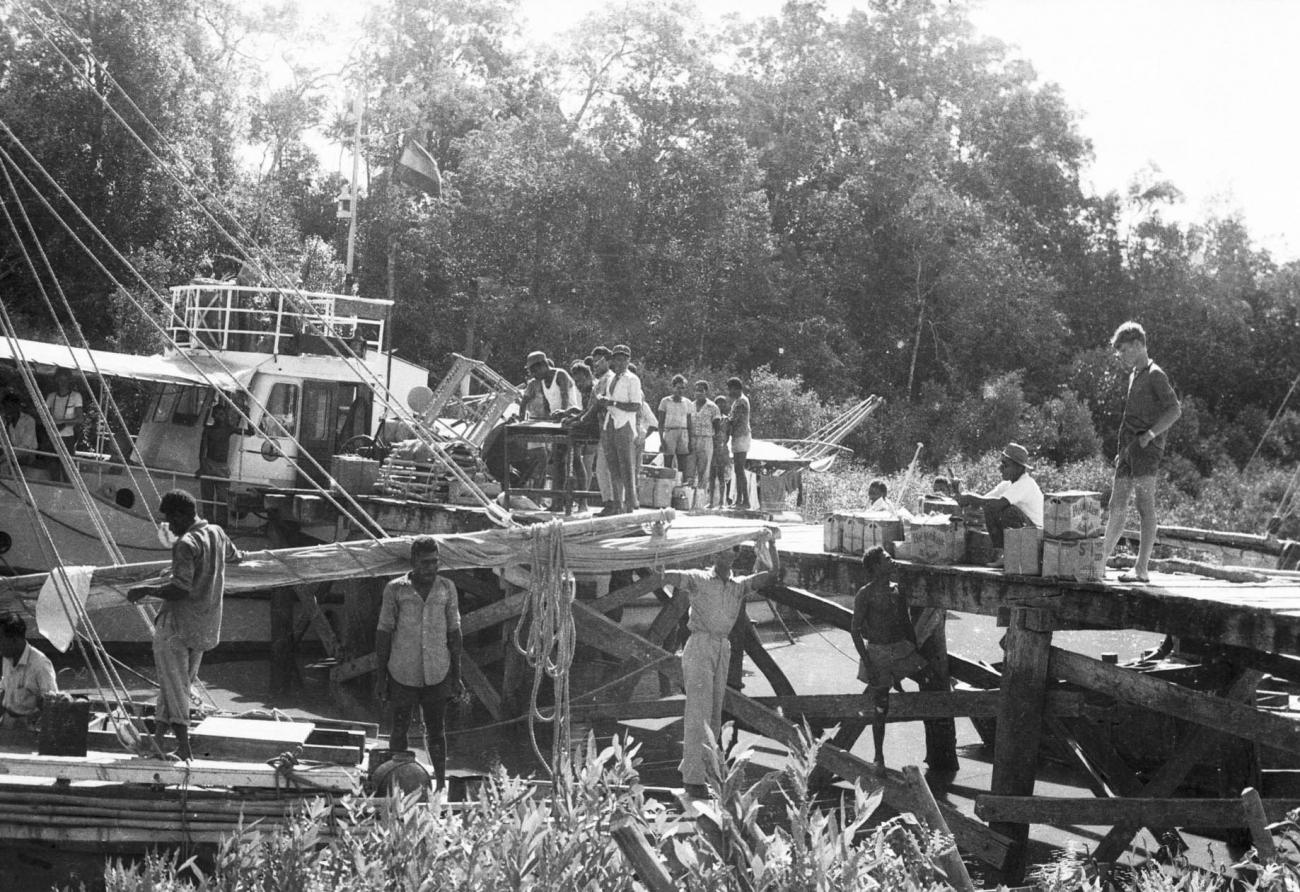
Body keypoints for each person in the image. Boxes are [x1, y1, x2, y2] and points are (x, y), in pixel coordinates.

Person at [661, 531, 780, 798]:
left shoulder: (738, 585)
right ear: (714, 554)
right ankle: (693, 780)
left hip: (722, 646)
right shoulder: (699, 578)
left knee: (714, 714)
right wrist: (662, 541)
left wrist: (771, 543)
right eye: (723, 549)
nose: (729, 552)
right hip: (700, 644)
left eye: (734, 548)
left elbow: (771, 575)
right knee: (699, 712)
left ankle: (702, 774)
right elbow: (664, 576)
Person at [127, 490, 241, 759]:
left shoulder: (186, 544)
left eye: (170, 520)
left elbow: (180, 589)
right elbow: (237, 556)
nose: (169, 527)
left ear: (180, 516)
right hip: (202, 628)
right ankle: (157, 743)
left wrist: (145, 590)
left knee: (175, 687)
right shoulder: (216, 533)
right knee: (173, 685)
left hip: (176, 628)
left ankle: (184, 747)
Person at [374, 536, 463, 789]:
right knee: (399, 729)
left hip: (438, 671)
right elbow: (384, 632)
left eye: (435, 562)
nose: (430, 568)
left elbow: (454, 632)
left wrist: (456, 676)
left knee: (437, 731)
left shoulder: (447, 588)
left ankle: (441, 785)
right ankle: (395, 785)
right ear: (413, 562)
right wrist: (381, 678)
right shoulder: (395, 589)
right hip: (402, 672)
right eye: (425, 563)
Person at [1100, 322, 1182, 584]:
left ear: (1138, 345)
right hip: (1128, 449)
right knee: (1116, 504)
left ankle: (1141, 568)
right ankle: (1099, 562)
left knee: (1144, 505)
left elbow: (1175, 410)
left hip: (1146, 449)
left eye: (1124, 350)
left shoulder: (1156, 374)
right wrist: (1121, 451)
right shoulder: (1134, 374)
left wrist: (1151, 434)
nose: (1121, 356)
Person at [850, 547, 930, 773]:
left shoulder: (897, 590)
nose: (892, 561)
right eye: (887, 559)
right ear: (876, 566)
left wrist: (915, 653)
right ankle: (879, 756)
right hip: (878, 653)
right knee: (880, 707)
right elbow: (855, 631)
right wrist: (868, 663)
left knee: (930, 677)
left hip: (901, 649)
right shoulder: (865, 594)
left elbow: (906, 623)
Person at [952, 443, 1043, 567]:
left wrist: (971, 498)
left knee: (1006, 510)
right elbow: (984, 500)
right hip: (1026, 533)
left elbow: (997, 504)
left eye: (1005, 465)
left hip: (1036, 536)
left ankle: (1011, 556)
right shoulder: (1007, 484)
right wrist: (962, 495)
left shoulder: (1025, 483)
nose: (1000, 468)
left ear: (1019, 467)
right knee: (990, 506)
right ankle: (1004, 554)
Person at [598, 344, 643, 513]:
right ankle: (618, 504)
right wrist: (605, 401)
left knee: (627, 466)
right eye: (617, 359)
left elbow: (636, 406)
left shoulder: (632, 379)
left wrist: (613, 403)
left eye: (623, 359)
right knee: (613, 467)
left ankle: (630, 505)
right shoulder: (611, 378)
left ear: (628, 360)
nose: (620, 362)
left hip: (625, 424)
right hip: (610, 422)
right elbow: (609, 400)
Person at [0, 613, 57, 735]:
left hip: (30, 730)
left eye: (0, 639)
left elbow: (53, 706)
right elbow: (4, 690)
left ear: (14, 639)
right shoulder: (7, 657)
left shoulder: (40, 665)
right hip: (7, 724)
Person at [199, 401, 240, 526]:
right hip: (209, 464)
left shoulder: (229, 429)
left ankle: (222, 524)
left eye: (221, 414)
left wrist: (247, 415)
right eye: (216, 414)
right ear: (213, 415)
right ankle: (208, 523)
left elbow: (250, 432)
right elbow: (202, 450)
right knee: (207, 497)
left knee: (223, 498)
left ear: (225, 415)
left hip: (222, 467)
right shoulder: (208, 430)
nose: (219, 417)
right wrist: (202, 466)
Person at [44, 370, 83, 477]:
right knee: (53, 468)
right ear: (56, 380)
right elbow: (45, 416)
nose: (63, 383)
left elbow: (80, 419)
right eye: (60, 380)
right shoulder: (51, 396)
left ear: (70, 381)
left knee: (68, 471)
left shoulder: (76, 396)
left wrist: (63, 422)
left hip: (68, 438)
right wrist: (52, 422)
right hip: (53, 436)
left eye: (65, 380)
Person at [686, 381, 720, 489]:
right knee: (689, 469)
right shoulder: (690, 406)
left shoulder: (712, 407)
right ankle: (688, 494)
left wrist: (716, 444)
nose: (698, 393)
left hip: (706, 440)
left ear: (706, 392)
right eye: (696, 390)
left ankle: (701, 495)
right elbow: (687, 424)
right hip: (692, 439)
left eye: (701, 391)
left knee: (704, 471)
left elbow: (717, 427)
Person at [657, 375, 694, 472]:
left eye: (683, 388)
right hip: (670, 432)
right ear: (673, 387)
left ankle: (681, 481)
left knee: (683, 463)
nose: (680, 390)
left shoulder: (688, 402)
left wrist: (690, 441)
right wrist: (661, 440)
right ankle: (667, 481)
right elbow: (660, 423)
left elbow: (689, 424)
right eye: (678, 388)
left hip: (683, 433)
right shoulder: (665, 401)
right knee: (668, 463)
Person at [726, 378, 752, 509]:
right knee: (737, 470)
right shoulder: (737, 401)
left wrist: (724, 421)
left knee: (739, 470)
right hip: (738, 437)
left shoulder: (741, 401)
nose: (729, 392)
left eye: (730, 389)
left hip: (742, 437)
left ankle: (745, 501)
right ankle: (739, 500)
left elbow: (734, 420)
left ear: (736, 388)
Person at [0, 393, 37, 471]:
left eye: (10, 407)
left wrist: (4, 457)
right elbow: (4, 443)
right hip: (11, 452)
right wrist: (6, 426)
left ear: (17, 406)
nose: (8, 410)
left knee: (4, 466)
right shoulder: (5, 421)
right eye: (6, 407)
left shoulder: (29, 420)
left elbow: (25, 445)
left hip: (27, 453)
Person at [709, 395, 732, 509]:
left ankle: (722, 502)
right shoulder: (711, 418)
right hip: (711, 448)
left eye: (723, 403)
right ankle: (711, 501)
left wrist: (722, 444)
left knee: (721, 476)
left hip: (722, 449)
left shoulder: (727, 420)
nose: (721, 405)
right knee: (711, 476)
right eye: (719, 403)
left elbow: (728, 434)